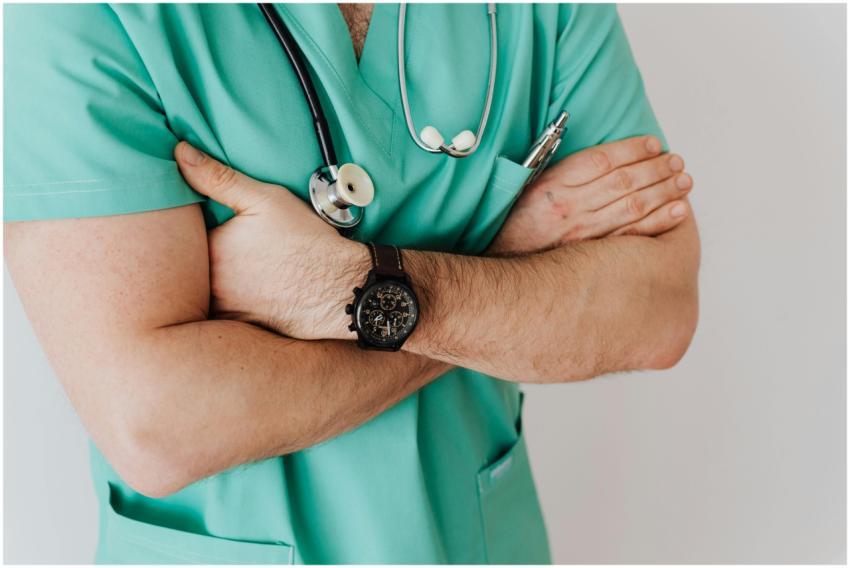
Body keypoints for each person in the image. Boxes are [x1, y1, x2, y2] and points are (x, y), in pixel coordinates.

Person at [4, 3, 700, 564]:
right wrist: (503, 250)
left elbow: (657, 311)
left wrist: (344, 286)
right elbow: (158, 426)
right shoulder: (81, 14)